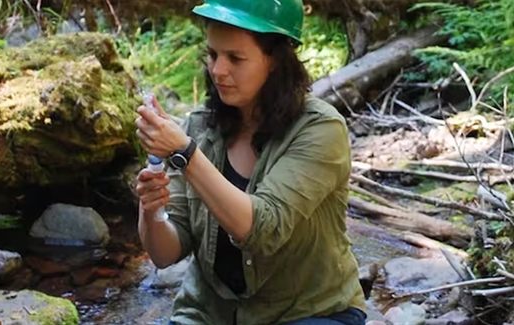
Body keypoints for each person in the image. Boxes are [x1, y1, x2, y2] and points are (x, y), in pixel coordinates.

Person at [133, 0, 369, 324]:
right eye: (213, 54)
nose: (217, 70)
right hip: (210, 315)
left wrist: (187, 155)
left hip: (308, 312)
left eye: (235, 58)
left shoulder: (320, 129)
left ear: (275, 61)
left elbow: (262, 228)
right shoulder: (200, 127)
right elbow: (164, 255)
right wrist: (151, 210)